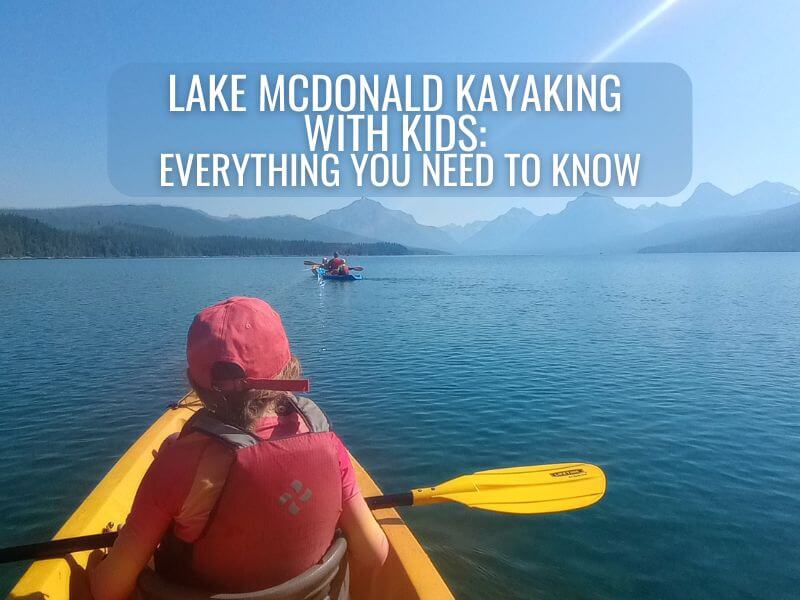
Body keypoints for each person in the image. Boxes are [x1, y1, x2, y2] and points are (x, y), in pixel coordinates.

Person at [90, 296, 388, 599]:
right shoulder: (326, 443)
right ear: (288, 369)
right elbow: (373, 552)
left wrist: (94, 568)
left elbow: (107, 590)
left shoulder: (177, 465)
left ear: (195, 381)